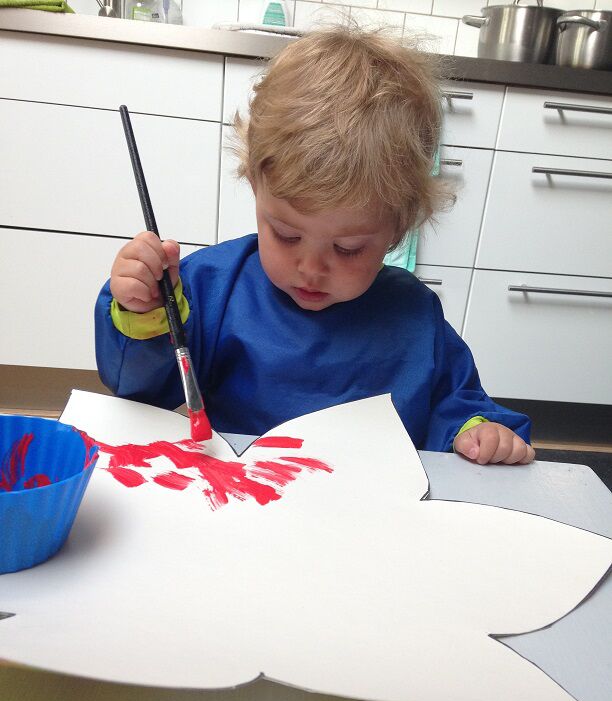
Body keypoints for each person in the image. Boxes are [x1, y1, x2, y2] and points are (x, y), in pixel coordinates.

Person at [96, 25, 534, 465]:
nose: (310, 267)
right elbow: (141, 391)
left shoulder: (414, 314)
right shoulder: (211, 287)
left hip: (371, 500)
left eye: (348, 248)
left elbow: (457, 404)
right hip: (242, 496)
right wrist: (145, 312)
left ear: (399, 228)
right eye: (286, 235)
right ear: (256, 187)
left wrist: (476, 431)